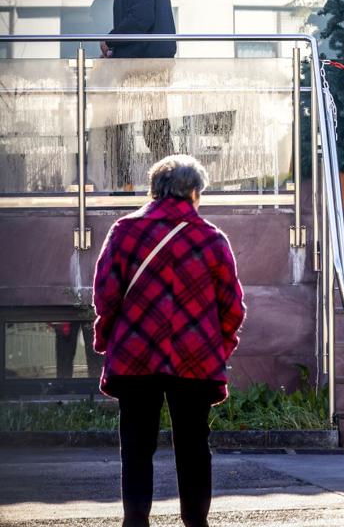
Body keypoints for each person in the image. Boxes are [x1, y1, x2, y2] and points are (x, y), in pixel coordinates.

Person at [92, 154, 245, 527]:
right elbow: (233, 306)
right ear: (194, 192)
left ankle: (135, 521)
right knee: (194, 448)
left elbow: (105, 293)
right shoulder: (211, 239)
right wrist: (216, 347)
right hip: (194, 359)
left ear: (154, 190)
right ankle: (195, 522)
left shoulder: (125, 231)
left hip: (135, 355)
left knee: (136, 446)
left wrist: (110, 335)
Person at [100, 0, 176, 189]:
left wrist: (111, 40)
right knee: (154, 128)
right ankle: (171, 186)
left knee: (124, 127)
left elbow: (141, 20)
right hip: (145, 63)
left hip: (142, 65)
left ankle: (127, 186)